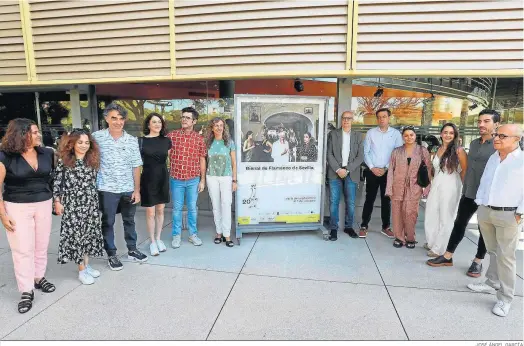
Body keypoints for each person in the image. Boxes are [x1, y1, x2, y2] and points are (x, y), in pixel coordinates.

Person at [427, 109, 499, 277]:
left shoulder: (498, 145)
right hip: (469, 192)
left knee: (484, 229)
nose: (481, 124)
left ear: (496, 124)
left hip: (488, 195)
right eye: (480, 121)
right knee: (459, 223)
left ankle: (477, 261)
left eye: (486, 121)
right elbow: (466, 171)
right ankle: (447, 256)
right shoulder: (474, 143)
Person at [466, 124, 523, 317]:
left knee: (506, 257)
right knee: (492, 251)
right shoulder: (493, 157)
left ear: (517, 139)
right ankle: (491, 282)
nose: (496, 138)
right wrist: (480, 204)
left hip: (509, 214)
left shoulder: (522, 160)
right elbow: (485, 182)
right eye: (496, 134)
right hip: (486, 212)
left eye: (502, 135)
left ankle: (505, 298)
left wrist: (520, 213)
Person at [0, 119, 55, 314]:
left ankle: (38, 278)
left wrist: (56, 200)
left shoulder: (47, 153)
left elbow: (53, 180)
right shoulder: (5, 156)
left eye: (37, 131)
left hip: (44, 203)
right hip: (16, 206)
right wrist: (2, 214)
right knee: (22, 249)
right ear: (21, 134)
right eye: (33, 132)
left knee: (41, 245)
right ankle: (26, 289)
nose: (38, 135)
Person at [92, 103, 147, 271]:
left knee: (129, 220)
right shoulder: (96, 138)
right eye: (114, 118)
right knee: (108, 222)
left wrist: (137, 190)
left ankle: (132, 249)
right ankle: (111, 254)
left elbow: (136, 166)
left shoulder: (131, 140)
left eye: (121, 118)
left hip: (127, 188)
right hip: (106, 188)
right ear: (106, 118)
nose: (118, 122)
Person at [53, 129, 104, 285]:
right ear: (72, 143)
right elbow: (57, 182)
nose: (83, 145)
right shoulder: (65, 160)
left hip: (90, 203)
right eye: (80, 142)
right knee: (77, 237)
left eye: (87, 142)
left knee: (88, 236)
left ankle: (87, 266)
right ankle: (81, 270)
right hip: (73, 205)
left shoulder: (93, 159)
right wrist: (57, 201)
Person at [424, 123, 467, 257]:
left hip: (450, 186)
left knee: (446, 217)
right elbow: (433, 168)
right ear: (441, 134)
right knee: (431, 214)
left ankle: (439, 249)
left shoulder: (459, 150)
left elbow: (465, 170)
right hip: (436, 183)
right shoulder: (438, 148)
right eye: (445, 132)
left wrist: (457, 184)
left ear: (455, 135)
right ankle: (432, 242)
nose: (448, 135)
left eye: (451, 133)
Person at [360, 108, 403, 238]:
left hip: (388, 172)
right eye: (379, 117)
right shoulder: (371, 133)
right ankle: (364, 225)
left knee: (386, 200)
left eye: (384, 116)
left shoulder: (396, 134)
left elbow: (398, 154)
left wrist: (386, 168)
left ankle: (385, 227)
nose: (381, 119)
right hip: (372, 171)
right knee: (369, 199)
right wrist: (372, 167)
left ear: (389, 118)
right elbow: (365, 152)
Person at [167, 107, 207, 248]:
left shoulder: (199, 139)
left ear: (194, 121)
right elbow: (167, 155)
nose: (184, 119)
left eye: (188, 118)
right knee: (177, 208)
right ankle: (176, 236)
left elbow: (202, 159)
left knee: (192, 208)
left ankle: (192, 235)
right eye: (183, 117)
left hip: (193, 179)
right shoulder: (172, 136)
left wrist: (202, 180)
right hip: (176, 179)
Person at [385, 126, 431, 248]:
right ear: (402, 137)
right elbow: (390, 171)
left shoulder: (422, 151)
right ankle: (399, 237)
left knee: (410, 213)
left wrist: (426, 187)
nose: (409, 137)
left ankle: (410, 237)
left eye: (411, 135)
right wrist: (389, 188)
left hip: (414, 187)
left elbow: (428, 170)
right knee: (397, 213)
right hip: (397, 186)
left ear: (415, 136)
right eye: (406, 135)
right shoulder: (396, 151)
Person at [326, 111, 364, 240]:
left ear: (353, 120)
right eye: (344, 118)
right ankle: (333, 229)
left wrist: (347, 169)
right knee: (333, 202)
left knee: (351, 202)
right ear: (341, 120)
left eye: (349, 118)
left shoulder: (358, 136)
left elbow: (360, 157)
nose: (346, 120)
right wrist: (338, 169)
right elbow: (329, 154)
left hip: (351, 173)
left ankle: (348, 227)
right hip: (334, 172)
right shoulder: (333, 134)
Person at [139, 113, 172, 256]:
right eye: (154, 122)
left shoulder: (167, 141)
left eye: (159, 122)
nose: (157, 124)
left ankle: (159, 238)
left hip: (163, 177)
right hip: (147, 178)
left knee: (160, 210)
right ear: (148, 125)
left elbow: (169, 160)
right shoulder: (140, 141)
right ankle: (152, 241)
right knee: (150, 212)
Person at [205, 117, 237, 247]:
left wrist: (234, 180)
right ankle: (219, 233)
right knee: (216, 205)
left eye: (221, 125)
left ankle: (227, 234)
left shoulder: (229, 142)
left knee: (226, 204)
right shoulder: (208, 142)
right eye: (216, 125)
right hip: (211, 176)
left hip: (226, 177)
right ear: (212, 128)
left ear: (224, 127)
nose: (219, 128)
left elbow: (234, 163)